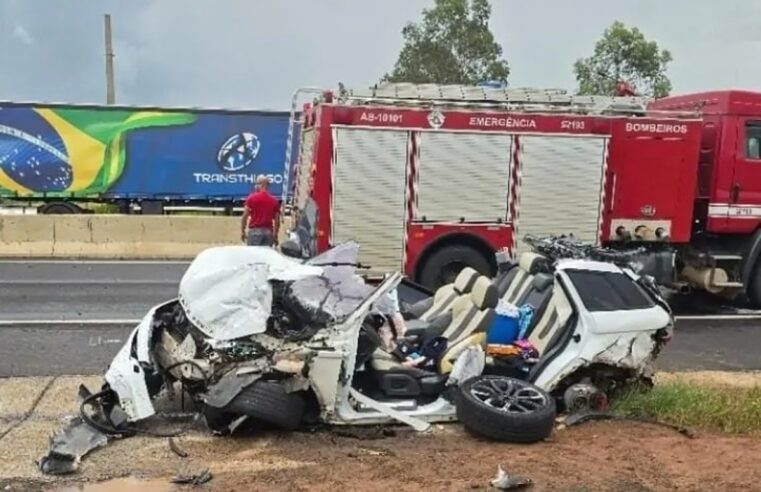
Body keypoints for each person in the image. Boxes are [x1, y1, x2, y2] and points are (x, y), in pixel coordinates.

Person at [241, 175, 280, 246]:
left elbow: (244, 216)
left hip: (254, 232)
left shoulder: (251, 198)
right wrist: (275, 236)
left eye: (256, 184)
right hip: (268, 233)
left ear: (262, 184)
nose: (255, 186)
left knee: (253, 255)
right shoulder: (274, 200)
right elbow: (277, 221)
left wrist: (243, 231)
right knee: (266, 256)